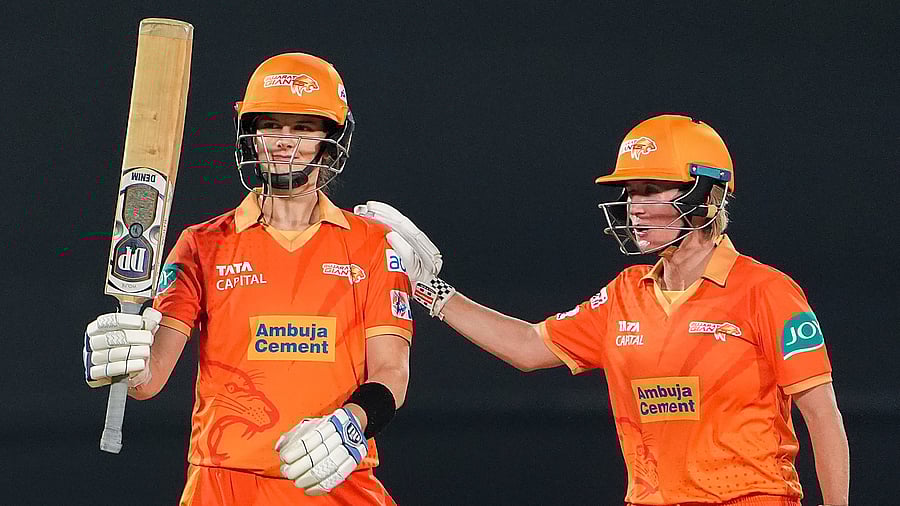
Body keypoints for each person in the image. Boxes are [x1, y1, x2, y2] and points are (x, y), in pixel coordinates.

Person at [356, 115, 850, 506]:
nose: (635, 206)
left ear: (708, 196)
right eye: (631, 191)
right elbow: (529, 348)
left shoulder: (766, 291)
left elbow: (822, 417)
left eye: (652, 190)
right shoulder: (624, 294)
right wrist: (429, 291)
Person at [83, 53, 414, 505]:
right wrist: (122, 359)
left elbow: (391, 372)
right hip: (222, 485)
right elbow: (150, 380)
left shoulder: (374, 244)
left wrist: (350, 424)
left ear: (330, 139)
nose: (285, 142)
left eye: (303, 128)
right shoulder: (202, 244)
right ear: (251, 136)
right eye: (272, 126)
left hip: (336, 473)